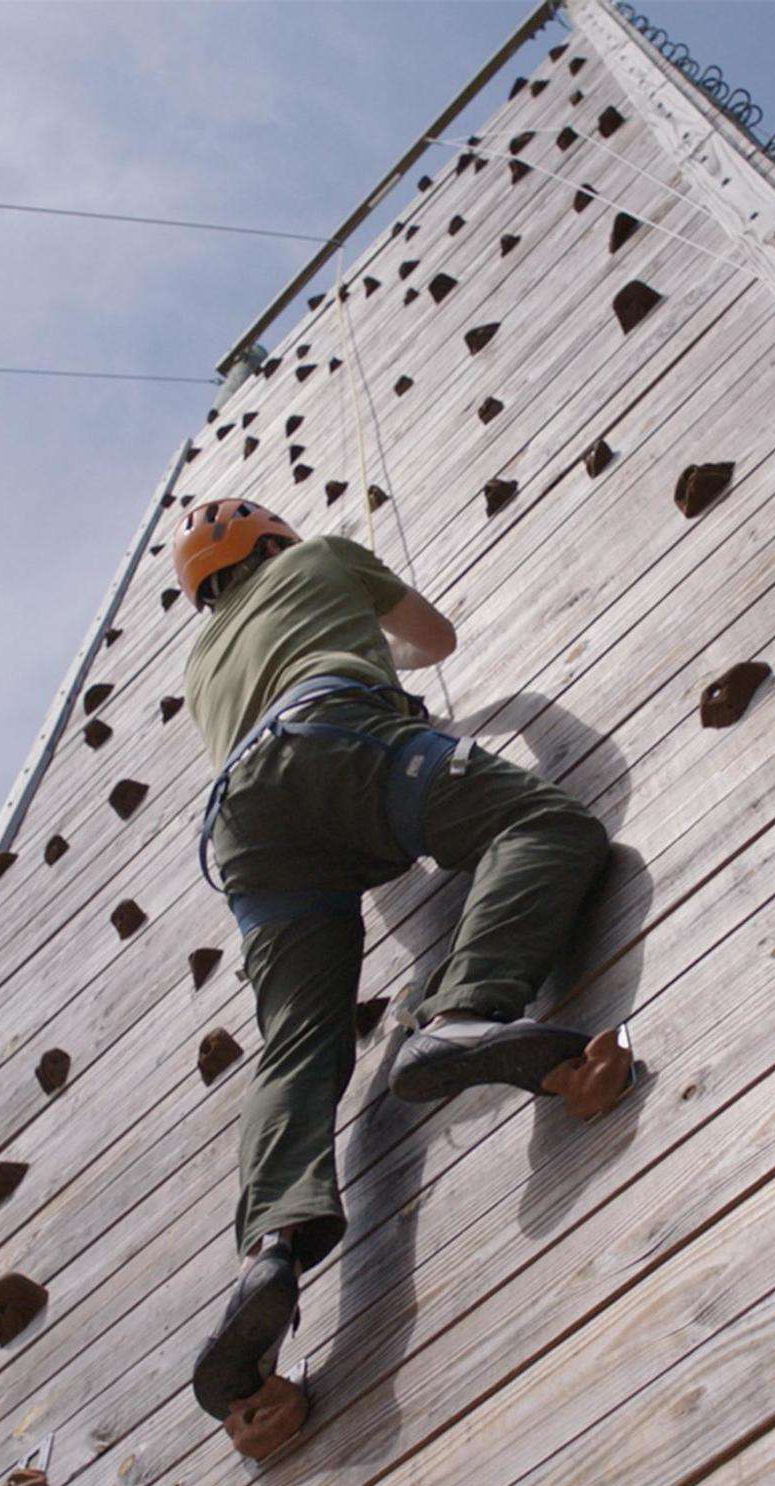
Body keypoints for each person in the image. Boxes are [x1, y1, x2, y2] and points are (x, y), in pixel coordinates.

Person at [177, 498, 627, 1430]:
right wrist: (402, 664)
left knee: (298, 1041)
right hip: (333, 736)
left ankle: (272, 1243)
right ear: (273, 542)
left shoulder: (201, 665)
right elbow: (435, 638)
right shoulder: (323, 558)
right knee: (545, 824)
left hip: (246, 828)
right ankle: (463, 1013)